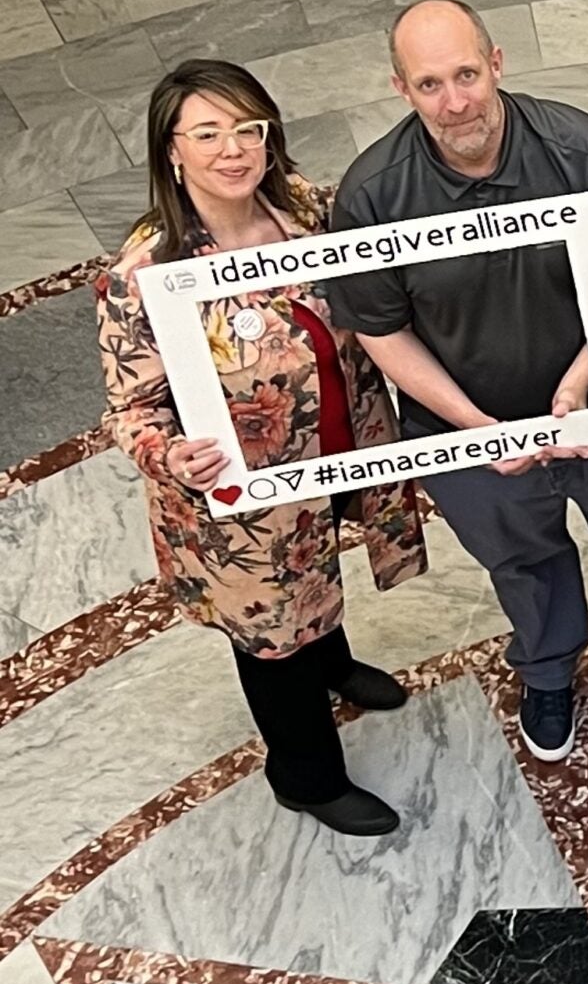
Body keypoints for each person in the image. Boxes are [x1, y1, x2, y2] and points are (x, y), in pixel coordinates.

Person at [329, 0, 588, 763]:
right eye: (431, 83)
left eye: (467, 74)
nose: (456, 100)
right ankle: (546, 665)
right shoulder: (371, 194)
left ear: (497, 62)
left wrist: (578, 386)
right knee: (520, 556)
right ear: (400, 87)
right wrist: (476, 425)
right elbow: (382, 328)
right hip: (466, 426)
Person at [97, 61, 424, 836]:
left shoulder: (304, 205)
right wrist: (169, 455)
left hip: (343, 450)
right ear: (172, 150)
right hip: (242, 503)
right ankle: (305, 774)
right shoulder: (146, 272)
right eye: (208, 133)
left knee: (315, 572)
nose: (234, 149)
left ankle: (334, 662)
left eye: (249, 128)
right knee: (273, 632)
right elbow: (132, 406)